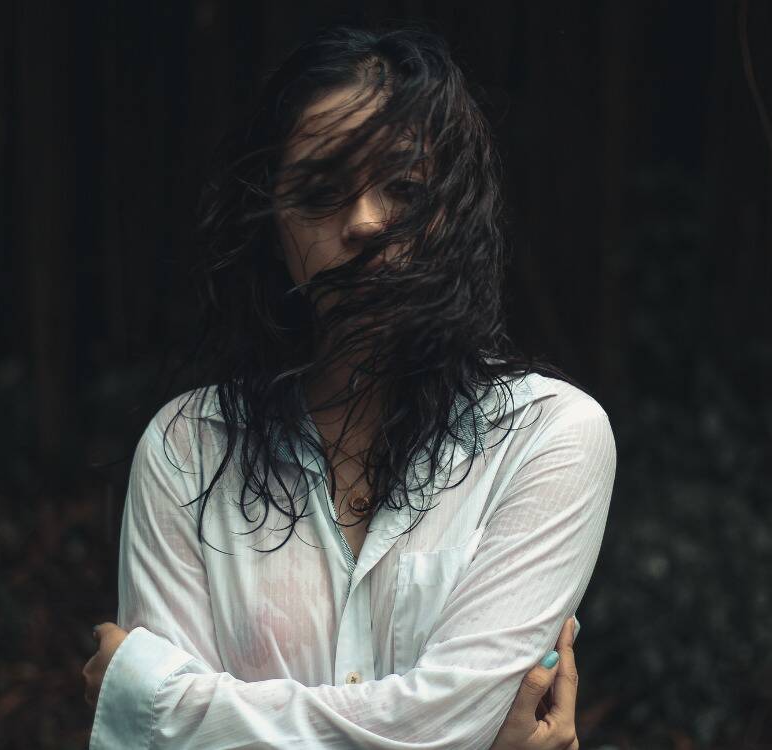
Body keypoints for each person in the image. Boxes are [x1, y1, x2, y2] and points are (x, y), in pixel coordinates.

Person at [82, 22, 615, 749]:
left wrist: (162, 709)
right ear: (272, 221)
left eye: (402, 188)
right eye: (321, 191)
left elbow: (454, 725)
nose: (364, 221)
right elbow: (449, 736)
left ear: (455, 211)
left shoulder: (548, 438)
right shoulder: (188, 449)